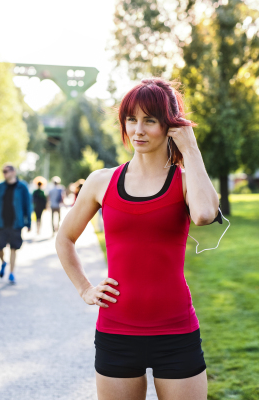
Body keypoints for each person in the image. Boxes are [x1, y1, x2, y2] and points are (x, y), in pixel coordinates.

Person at [56, 78, 220, 400]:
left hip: (177, 331)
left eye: (150, 120)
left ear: (170, 126)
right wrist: (85, 288)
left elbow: (203, 215)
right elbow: (65, 238)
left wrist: (191, 148)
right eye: (131, 119)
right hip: (116, 332)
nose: (138, 130)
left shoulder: (186, 182)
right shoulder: (101, 182)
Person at [0, 163, 32, 285]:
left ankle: (11, 273)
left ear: (13, 172)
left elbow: (27, 204)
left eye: (6, 171)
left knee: (13, 248)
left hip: (16, 223)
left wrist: (29, 222)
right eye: (3, 171)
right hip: (1, 223)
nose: (4, 173)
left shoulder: (22, 187)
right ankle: (3, 262)